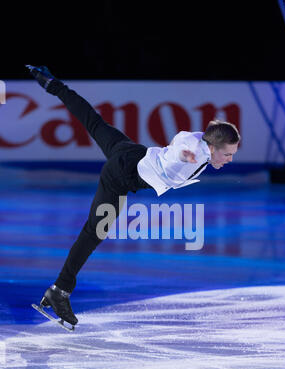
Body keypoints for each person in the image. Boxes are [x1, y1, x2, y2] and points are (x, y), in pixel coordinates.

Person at [26, 65, 240, 329]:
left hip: (132, 152)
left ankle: (51, 83)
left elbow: (187, 143)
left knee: (93, 121)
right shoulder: (194, 146)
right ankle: (59, 291)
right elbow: (181, 146)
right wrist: (184, 155)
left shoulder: (204, 144)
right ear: (212, 147)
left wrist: (187, 155)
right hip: (122, 173)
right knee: (95, 231)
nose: (229, 160)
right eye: (228, 154)